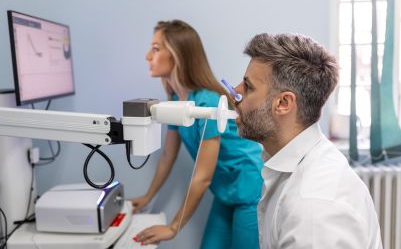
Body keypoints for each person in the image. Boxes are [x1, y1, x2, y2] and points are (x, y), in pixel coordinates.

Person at [233, 33, 382, 248]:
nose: (236, 92)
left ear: (284, 103)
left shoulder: (313, 207)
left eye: (248, 87)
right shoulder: (293, 164)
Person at [131, 20, 264, 248]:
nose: (147, 56)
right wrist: (148, 196)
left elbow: (202, 177)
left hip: (249, 190)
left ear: (177, 55)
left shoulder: (207, 102)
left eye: (155, 49)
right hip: (224, 192)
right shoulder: (175, 101)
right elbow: (167, 157)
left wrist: (173, 227)